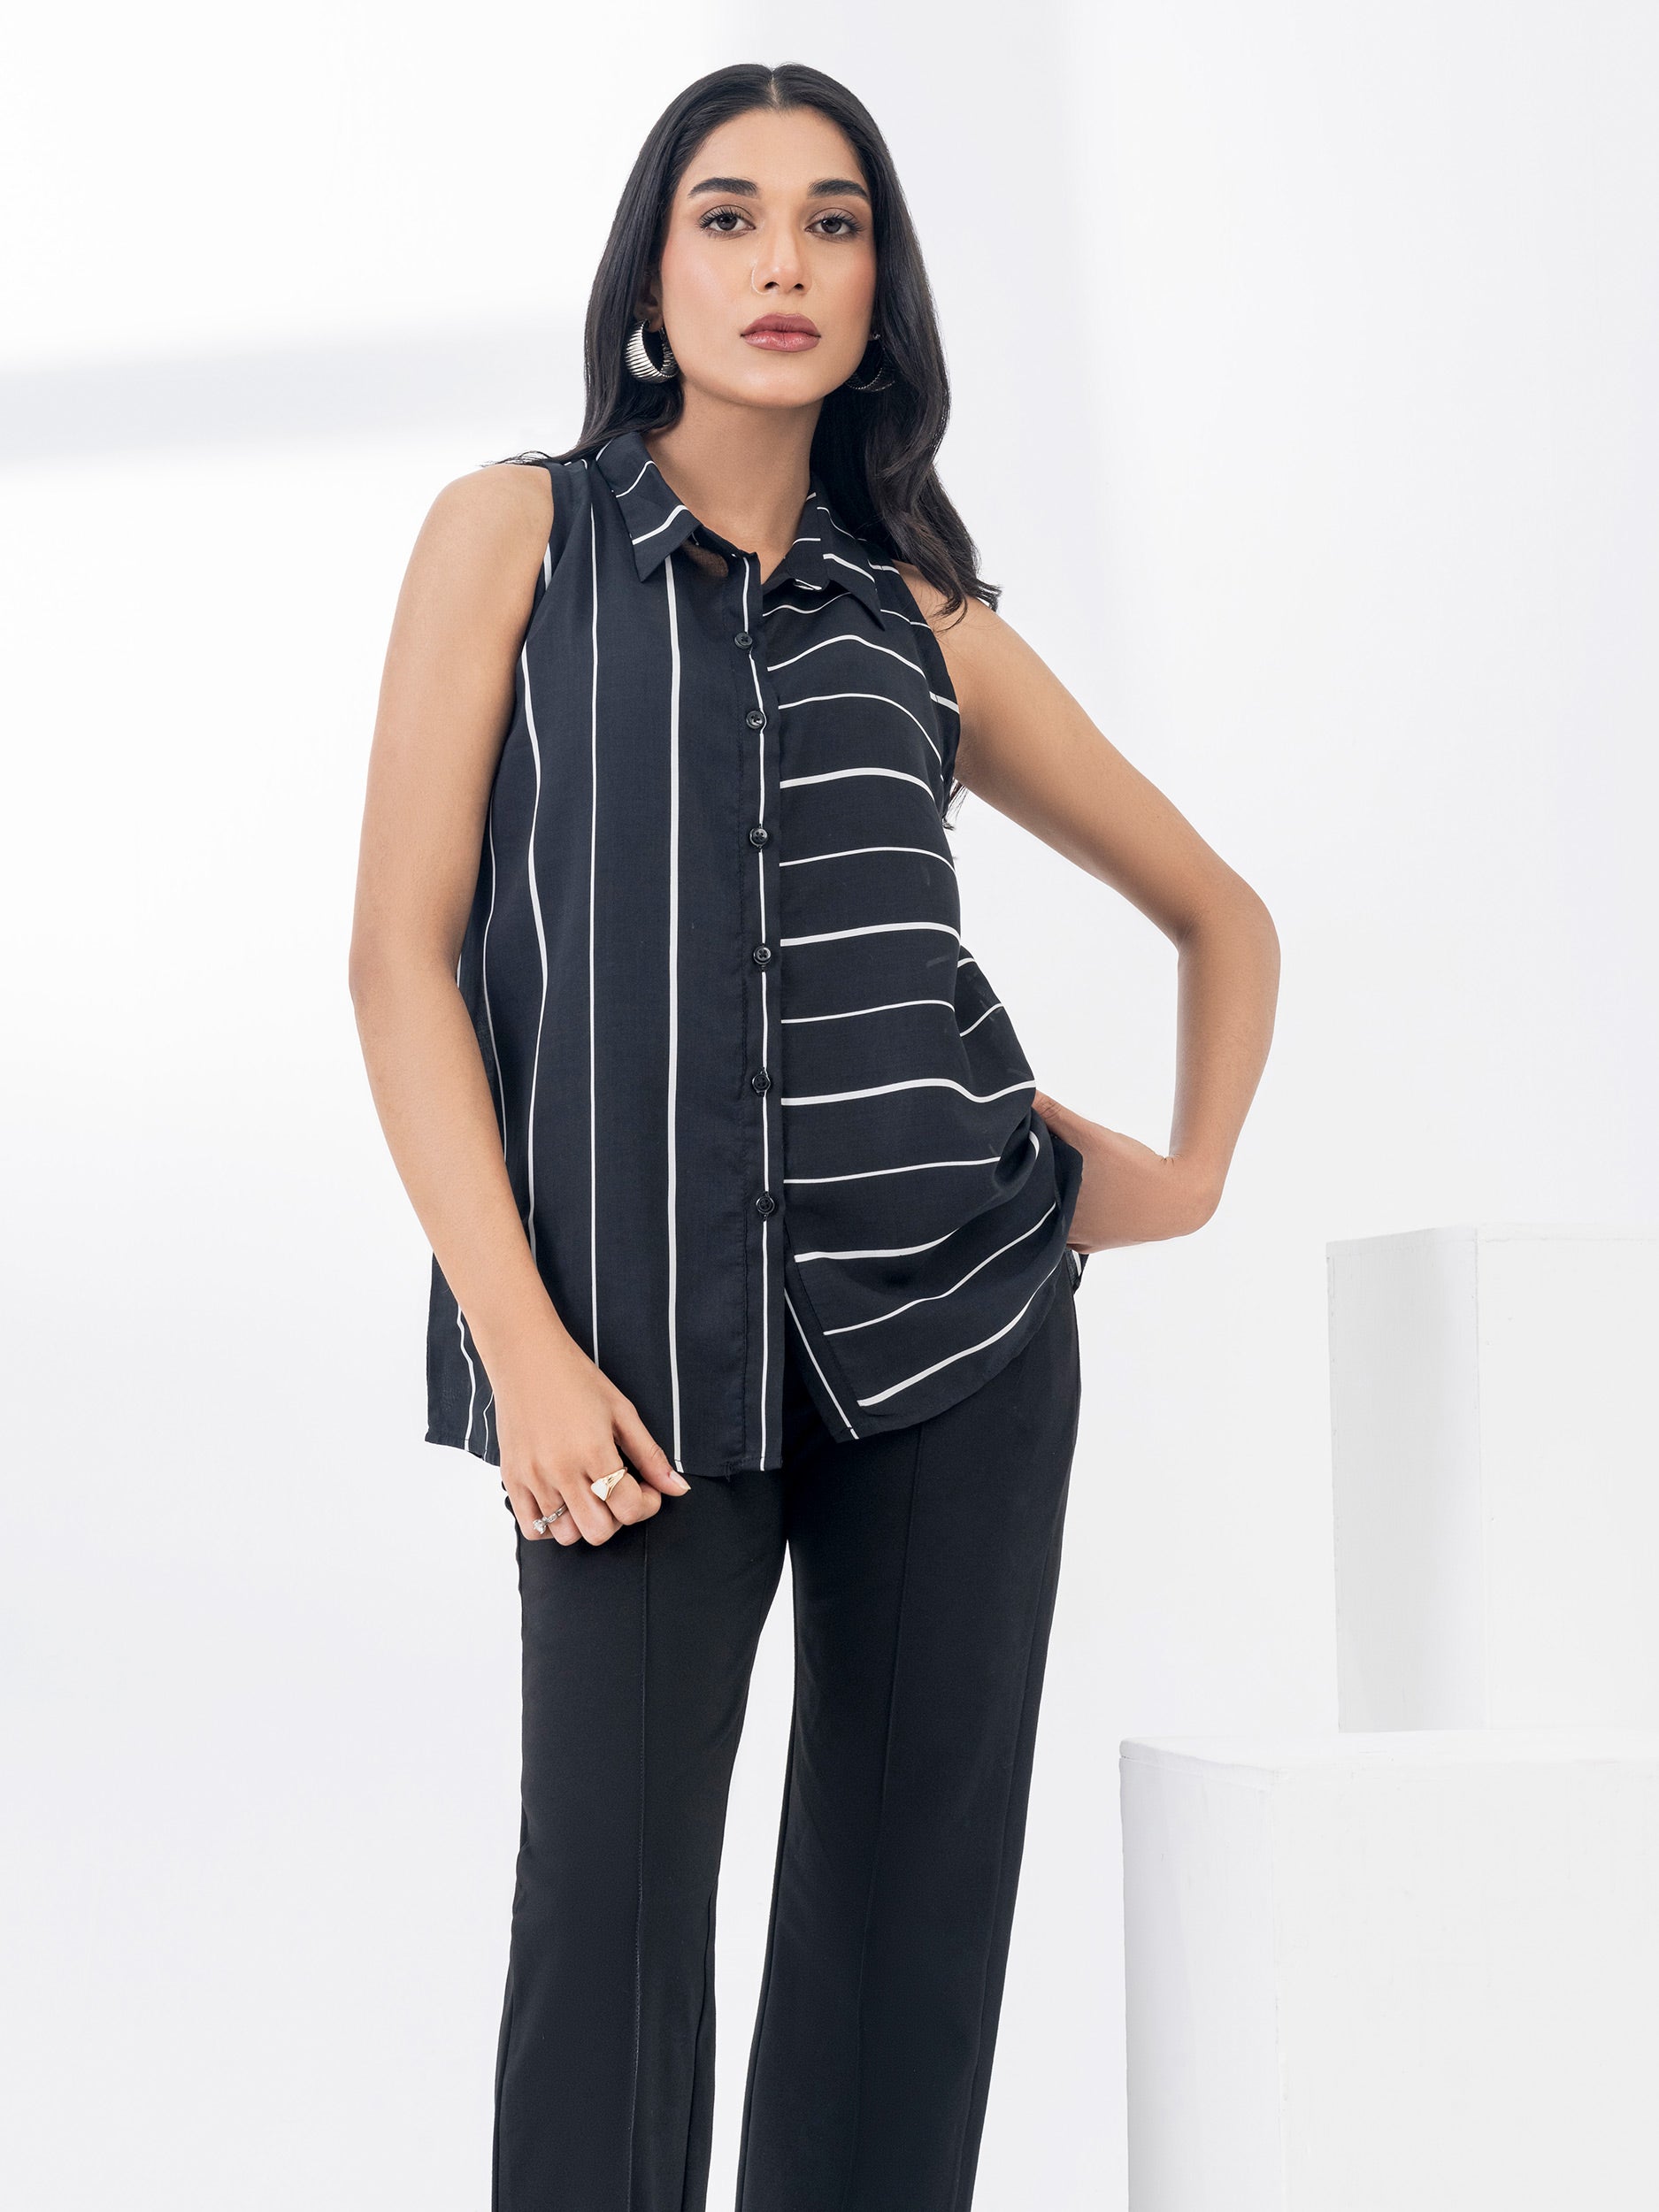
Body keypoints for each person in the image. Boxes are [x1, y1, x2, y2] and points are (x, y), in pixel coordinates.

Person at [348, 58, 1278, 2212]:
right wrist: (520, 1347)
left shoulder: (926, 622)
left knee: (899, 1944)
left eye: (832, 221)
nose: (783, 258)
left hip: (957, 1338)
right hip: (622, 1360)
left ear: (877, 293)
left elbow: (1218, 912)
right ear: (650, 282)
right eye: (731, 214)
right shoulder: (516, 534)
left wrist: (1182, 1175)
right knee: (607, 1940)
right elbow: (399, 960)